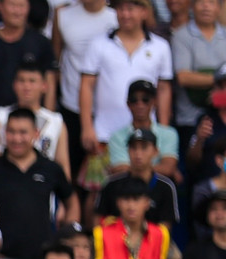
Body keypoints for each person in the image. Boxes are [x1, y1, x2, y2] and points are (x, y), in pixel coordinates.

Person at [0, 107, 78, 259]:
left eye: (23, 132)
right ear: (4, 134)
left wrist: (63, 244)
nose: (17, 138)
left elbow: (71, 203)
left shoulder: (51, 168)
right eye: (11, 132)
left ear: (36, 134)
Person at [78, 0, 173, 201]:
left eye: (131, 8)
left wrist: (162, 128)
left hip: (146, 138)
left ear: (144, 12)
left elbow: (164, 90)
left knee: (144, 197)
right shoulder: (98, 44)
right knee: (100, 195)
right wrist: (87, 126)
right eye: (120, 9)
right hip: (104, 134)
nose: (125, 14)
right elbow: (86, 85)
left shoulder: (160, 46)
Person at [0, 0, 58, 143]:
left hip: (31, 129)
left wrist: (49, 125)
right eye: (12, 5)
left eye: (22, 6)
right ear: (0, 6)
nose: (17, 11)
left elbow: (50, 85)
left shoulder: (40, 43)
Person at [53, 0, 118, 177]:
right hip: (71, 104)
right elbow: (55, 61)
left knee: (106, 173)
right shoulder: (62, 15)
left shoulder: (116, 17)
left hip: (106, 108)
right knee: (71, 169)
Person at [0, 58, 71, 177]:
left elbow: (63, 165)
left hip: (43, 184)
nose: (26, 86)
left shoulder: (56, 122)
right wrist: (19, 160)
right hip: (6, 181)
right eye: (21, 81)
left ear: (44, 86)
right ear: (14, 85)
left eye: (32, 81)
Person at [93, 175, 170, 259]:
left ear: (147, 203)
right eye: (126, 199)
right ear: (118, 203)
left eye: (136, 199)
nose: (131, 205)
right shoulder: (102, 234)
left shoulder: (160, 235)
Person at [97, 128, 179, 226]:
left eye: (144, 147)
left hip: (155, 239)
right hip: (116, 239)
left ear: (155, 151)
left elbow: (165, 227)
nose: (138, 154)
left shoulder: (166, 186)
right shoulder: (111, 184)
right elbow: (99, 220)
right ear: (128, 151)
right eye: (133, 148)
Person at [171, 0, 226, 137]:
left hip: (223, 117)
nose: (206, 6)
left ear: (219, 8)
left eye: (212, 2)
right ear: (191, 6)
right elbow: (183, 77)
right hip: (189, 118)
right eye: (201, 2)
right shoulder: (181, 36)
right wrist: (219, 80)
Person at [105, 80, 179, 180]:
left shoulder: (169, 134)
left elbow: (168, 168)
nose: (140, 104)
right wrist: (156, 168)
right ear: (128, 104)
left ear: (154, 102)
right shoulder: (116, 137)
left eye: (145, 99)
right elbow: (120, 171)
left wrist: (132, 169)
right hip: (127, 190)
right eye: (134, 100)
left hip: (157, 190)